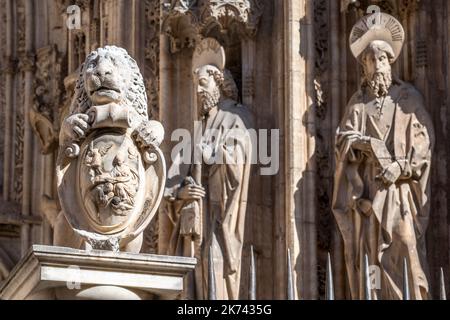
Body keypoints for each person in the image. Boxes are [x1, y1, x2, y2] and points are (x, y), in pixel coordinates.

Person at [332, 13, 434, 299]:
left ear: (390, 62)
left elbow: (423, 143)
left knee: (405, 244)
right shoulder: (357, 105)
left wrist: (401, 167)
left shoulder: (408, 99)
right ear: (362, 65)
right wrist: (358, 144)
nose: (377, 66)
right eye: (370, 60)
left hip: (399, 195)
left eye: (382, 59)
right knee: (370, 262)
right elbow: (342, 144)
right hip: (367, 197)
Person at [162, 38, 254, 299]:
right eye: (195, 86)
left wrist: (213, 154)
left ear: (218, 83)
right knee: (197, 271)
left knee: (215, 261)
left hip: (218, 215)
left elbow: (241, 151)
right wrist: (182, 194)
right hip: (195, 222)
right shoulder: (197, 129)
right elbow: (172, 181)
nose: (198, 91)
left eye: (203, 84)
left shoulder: (236, 116)